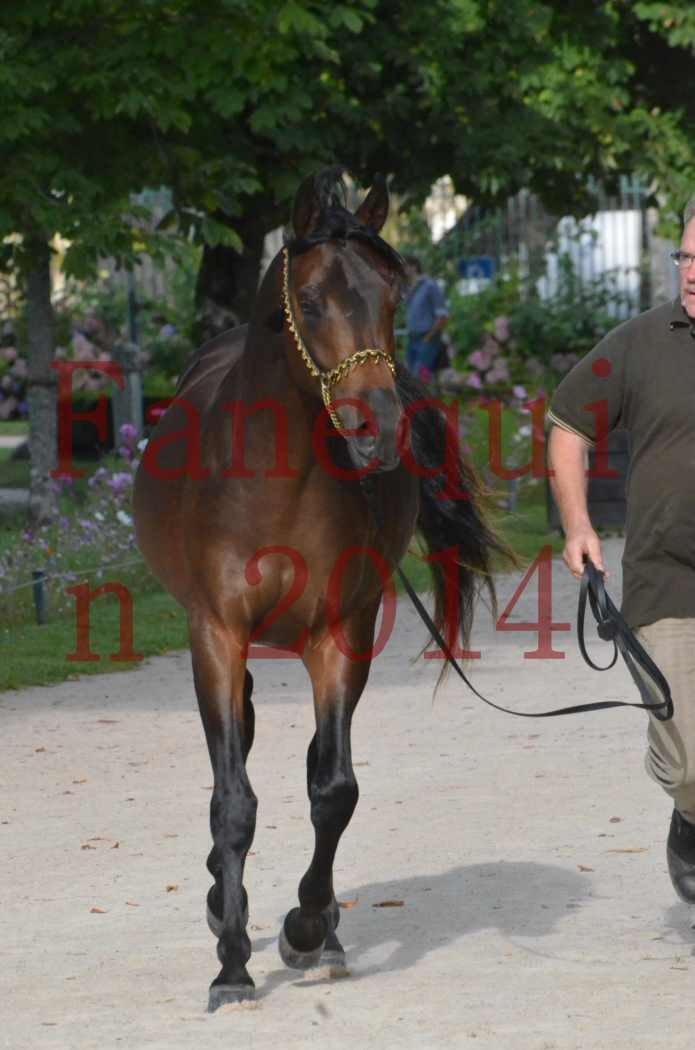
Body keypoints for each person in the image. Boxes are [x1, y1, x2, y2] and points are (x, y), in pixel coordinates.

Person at [547, 194, 695, 903]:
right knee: (690, 764)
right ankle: (690, 817)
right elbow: (568, 424)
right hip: (665, 581)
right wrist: (577, 525)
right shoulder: (637, 343)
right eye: (685, 255)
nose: (691, 271)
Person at [403, 255, 449, 380]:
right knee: (409, 378)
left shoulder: (430, 286)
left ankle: (428, 399)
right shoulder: (409, 289)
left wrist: (428, 337)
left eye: (404, 265)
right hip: (412, 338)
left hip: (427, 338)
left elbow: (443, 315)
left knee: (420, 376)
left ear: (413, 267)